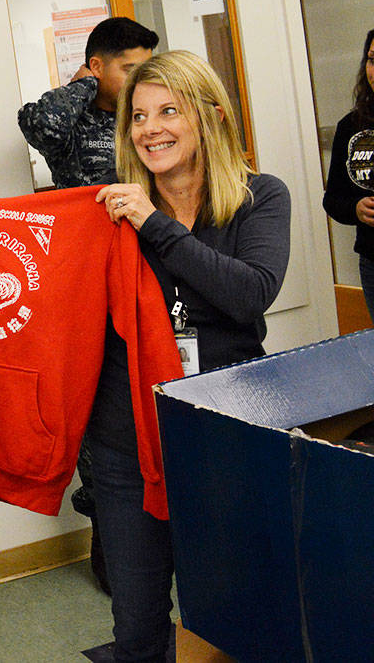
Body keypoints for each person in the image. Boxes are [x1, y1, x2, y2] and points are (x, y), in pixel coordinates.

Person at [91, 50, 290, 661]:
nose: (151, 129)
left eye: (169, 110)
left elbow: (248, 293)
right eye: (139, 116)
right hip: (127, 439)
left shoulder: (261, 196)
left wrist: (154, 223)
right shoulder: (107, 213)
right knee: (137, 621)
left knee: (235, 609)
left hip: (225, 435)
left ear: (207, 116)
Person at [18, 15, 158, 593]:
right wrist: (89, 80)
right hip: (87, 290)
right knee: (100, 414)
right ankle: (113, 546)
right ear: (98, 66)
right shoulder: (73, 123)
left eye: (148, 64)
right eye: (130, 66)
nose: (142, 77)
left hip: (154, 274)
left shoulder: (151, 121)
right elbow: (35, 119)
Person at [19, 16, 160, 189]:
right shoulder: (73, 121)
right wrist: (84, 85)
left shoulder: (146, 117)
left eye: (145, 72)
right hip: (86, 215)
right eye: (130, 71)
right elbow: (43, 126)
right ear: (97, 67)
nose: (139, 81)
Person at [322, 28, 374, 317]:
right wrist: (356, 208)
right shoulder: (350, 126)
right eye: (371, 60)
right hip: (372, 258)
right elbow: (333, 200)